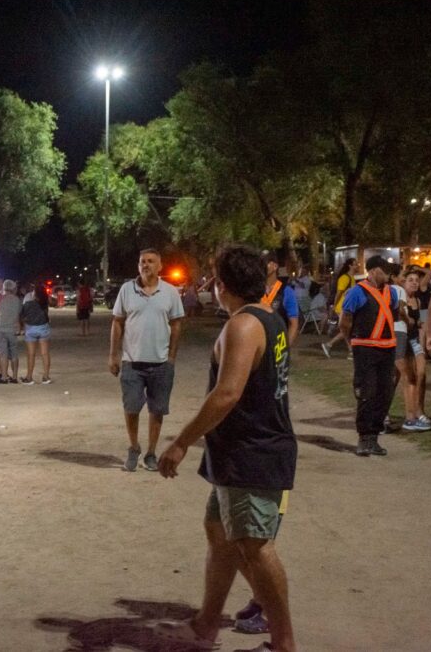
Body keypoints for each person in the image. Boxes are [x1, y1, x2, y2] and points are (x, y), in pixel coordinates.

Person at [154, 244, 297, 652]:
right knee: (219, 534)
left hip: (252, 453)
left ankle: (283, 643)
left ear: (221, 285)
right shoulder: (268, 317)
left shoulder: (244, 325)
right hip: (240, 452)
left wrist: (181, 442)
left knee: (254, 544)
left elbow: (227, 393)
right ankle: (205, 624)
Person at [109, 248, 185, 472]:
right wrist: (113, 354)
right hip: (132, 362)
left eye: (151, 261)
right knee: (131, 407)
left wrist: (171, 357)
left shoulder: (170, 293)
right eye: (142, 261)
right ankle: (134, 448)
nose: (146, 265)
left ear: (160, 266)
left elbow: (177, 324)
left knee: (157, 409)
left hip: (161, 363)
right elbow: (117, 322)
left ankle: (151, 453)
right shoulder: (127, 290)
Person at [340, 255, 397, 456]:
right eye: (384, 270)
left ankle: (374, 437)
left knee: (385, 392)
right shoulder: (357, 292)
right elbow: (345, 321)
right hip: (365, 348)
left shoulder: (392, 293)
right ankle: (364, 438)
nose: (388, 274)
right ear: (372, 271)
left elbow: (394, 314)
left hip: (387, 349)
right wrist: (351, 343)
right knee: (368, 393)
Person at [396, 269, 431, 432]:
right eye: (410, 279)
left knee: (421, 373)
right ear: (403, 282)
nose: (415, 282)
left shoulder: (417, 300)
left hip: (415, 340)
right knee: (405, 377)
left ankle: (419, 411)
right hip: (402, 340)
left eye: (417, 280)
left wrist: (424, 343)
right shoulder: (400, 300)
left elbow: (421, 324)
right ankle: (409, 415)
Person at [322, 257, 357, 358]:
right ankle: (330, 345)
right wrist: (334, 305)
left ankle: (348, 351)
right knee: (347, 329)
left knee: (346, 330)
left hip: (346, 306)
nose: (357, 266)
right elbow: (339, 292)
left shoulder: (351, 278)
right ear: (350, 265)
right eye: (355, 264)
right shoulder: (345, 278)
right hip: (343, 307)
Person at [262, 252, 300, 346]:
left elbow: (293, 324)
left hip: (277, 343)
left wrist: (285, 348)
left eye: (264, 263)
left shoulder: (287, 291)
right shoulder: (255, 290)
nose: (261, 266)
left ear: (275, 266)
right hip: (258, 342)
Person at [21, 284, 52, 384]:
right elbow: (55, 303)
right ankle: (46, 376)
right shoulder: (45, 303)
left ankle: (29, 377)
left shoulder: (28, 304)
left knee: (31, 354)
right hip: (43, 328)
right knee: (45, 353)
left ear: (35, 294)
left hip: (30, 329)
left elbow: (22, 316)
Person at [0, 279, 23, 383]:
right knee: (14, 353)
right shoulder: (17, 300)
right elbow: (18, 314)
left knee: (2, 354)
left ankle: (4, 377)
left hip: (0, 329)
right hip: (12, 329)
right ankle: (14, 377)